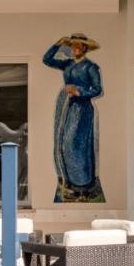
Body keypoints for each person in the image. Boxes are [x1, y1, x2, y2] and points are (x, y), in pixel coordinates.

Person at [43, 33, 105, 202]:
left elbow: (98, 89)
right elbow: (47, 60)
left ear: (85, 48)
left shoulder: (91, 67)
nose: (75, 48)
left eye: (79, 46)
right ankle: (70, 182)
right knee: (63, 142)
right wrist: (58, 44)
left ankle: (83, 185)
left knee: (77, 144)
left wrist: (79, 92)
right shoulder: (68, 64)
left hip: (82, 108)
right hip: (66, 107)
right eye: (73, 46)